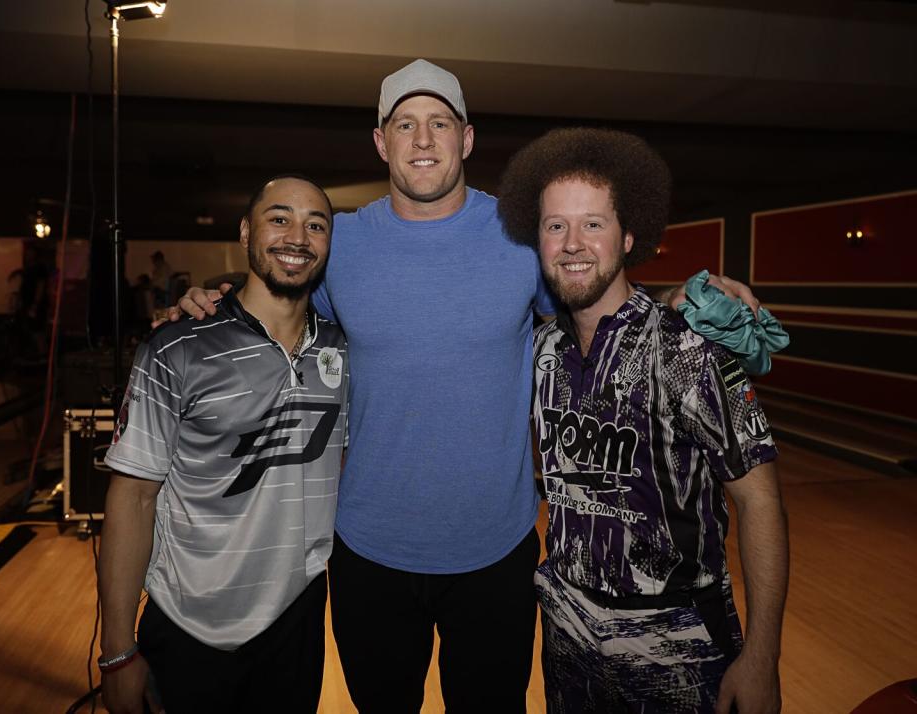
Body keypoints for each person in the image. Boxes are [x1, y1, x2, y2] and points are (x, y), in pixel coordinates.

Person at [171, 60, 762, 712]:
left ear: (468, 138)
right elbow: (278, 307)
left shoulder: (518, 234)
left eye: (439, 124)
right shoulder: (343, 243)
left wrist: (675, 300)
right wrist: (211, 300)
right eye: (405, 125)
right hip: (370, 552)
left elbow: (592, 295)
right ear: (381, 142)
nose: (423, 141)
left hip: (495, 554)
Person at [496, 127, 788, 713]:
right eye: (556, 226)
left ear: (629, 236)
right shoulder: (540, 351)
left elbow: (761, 503)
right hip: (567, 637)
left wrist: (761, 658)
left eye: (593, 224)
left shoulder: (689, 353)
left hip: (679, 647)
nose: (573, 242)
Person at [98, 175, 348, 714]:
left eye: (315, 224)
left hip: (295, 619)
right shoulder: (177, 346)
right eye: (279, 218)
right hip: (190, 622)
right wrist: (116, 652)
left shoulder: (340, 349)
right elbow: (133, 497)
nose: (297, 236)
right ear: (245, 231)